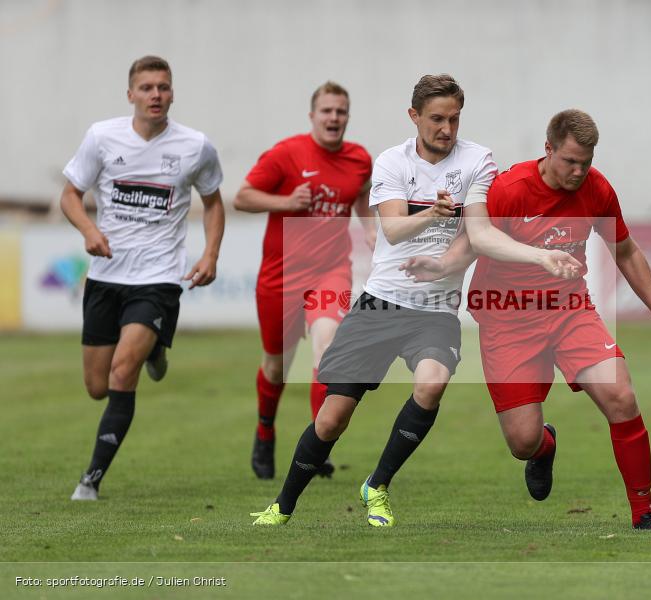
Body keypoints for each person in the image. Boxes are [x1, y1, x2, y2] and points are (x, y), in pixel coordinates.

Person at [250, 74, 578, 527]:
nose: (447, 128)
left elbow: (480, 234)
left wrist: (541, 256)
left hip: (435, 310)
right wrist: (433, 213)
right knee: (331, 420)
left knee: (432, 382)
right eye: (437, 119)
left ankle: (377, 485)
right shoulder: (391, 162)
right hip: (382, 303)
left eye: (455, 119)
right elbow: (392, 229)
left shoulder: (477, 160)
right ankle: (282, 507)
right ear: (415, 117)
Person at [403, 109, 651, 531]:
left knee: (621, 397)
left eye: (587, 161)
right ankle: (545, 447)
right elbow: (471, 240)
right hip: (506, 320)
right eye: (570, 161)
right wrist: (438, 268)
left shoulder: (597, 190)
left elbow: (627, 251)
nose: (579, 171)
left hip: (568, 311)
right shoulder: (508, 188)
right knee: (522, 442)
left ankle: (644, 514)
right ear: (548, 150)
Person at [61, 56, 225, 500]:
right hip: (106, 275)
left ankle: (90, 480)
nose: (156, 95)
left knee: (121, 370)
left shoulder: (194, 146)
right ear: (130, 94)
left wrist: (210, 253)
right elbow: (71, 195)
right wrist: (90, 230)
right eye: (147, 87)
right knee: (97, 387)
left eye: (164, 87)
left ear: (172, 93)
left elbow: (213, 201)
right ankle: (157, 354)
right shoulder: (101, 137)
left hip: (158, 278)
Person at [234, 82, 374, 480]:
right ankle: (265, 430)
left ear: (347, 117)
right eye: (327, 111)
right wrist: (284, 203)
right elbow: (242, 197)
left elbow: (360, 193)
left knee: (327, 350)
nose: (334, 118)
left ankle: (316, 445)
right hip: (281, 277)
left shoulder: (359, 159)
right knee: (277, 368)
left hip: (331, 270)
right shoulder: (286, 154)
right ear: (312, 116)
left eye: (341, 111)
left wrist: (369, 228)